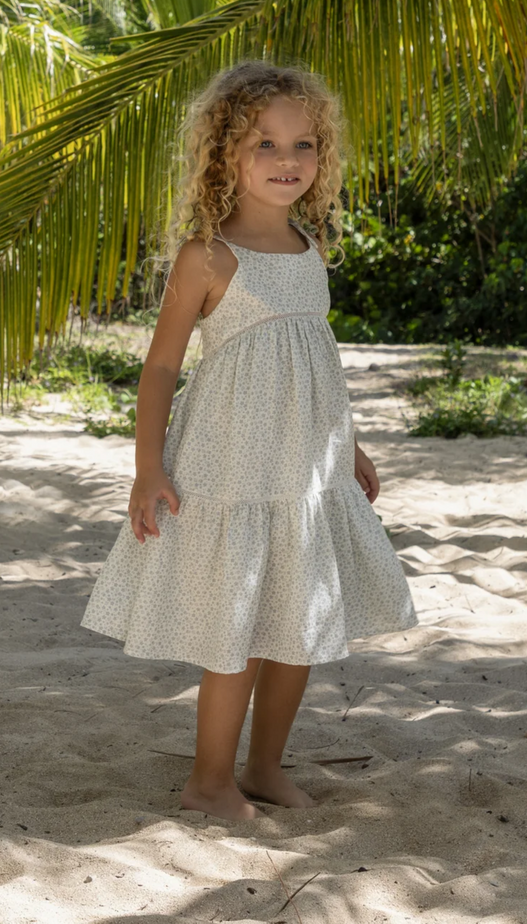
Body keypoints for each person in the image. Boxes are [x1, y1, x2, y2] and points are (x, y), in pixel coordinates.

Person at [81, 61, 418, 822]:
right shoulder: (208, 257)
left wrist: (350, 446)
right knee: (237, 629)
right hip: (233, 468)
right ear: (225, 153)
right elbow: (162, 366)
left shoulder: (309, 251)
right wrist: (146, 467)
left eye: (303, 145)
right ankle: (208, 778)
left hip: (306, 475)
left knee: (298, 626)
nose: (287, 161)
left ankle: (264, 767)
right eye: (264, 144)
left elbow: (315, 367)